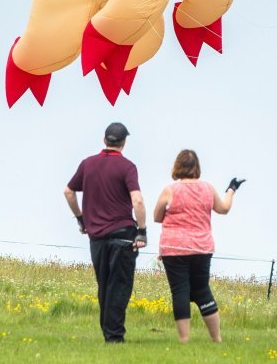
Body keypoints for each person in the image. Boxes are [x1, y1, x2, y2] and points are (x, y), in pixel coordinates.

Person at [64, 122, 147, 343]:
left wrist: (81, 219)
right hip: (122, 234)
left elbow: (68, 191)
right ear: (124, 143)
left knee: (104, 285)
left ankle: (109, 333)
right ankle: (114, 337)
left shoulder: (88, 164)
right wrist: (142, 231)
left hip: (97, 237)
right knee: (119, 286)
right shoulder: (127, 167)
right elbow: (137, 199)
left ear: (104, 140)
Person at [154, 149, 245, 343]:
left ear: (178, 166)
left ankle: (184, 339)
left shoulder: (170, 190)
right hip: (202, 247)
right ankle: (216, 338)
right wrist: (231, 189)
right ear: (197, 168)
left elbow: (156, 216)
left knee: (180, 291)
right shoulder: (208, 189)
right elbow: (224, 209)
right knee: (202, 290)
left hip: (174, 248)